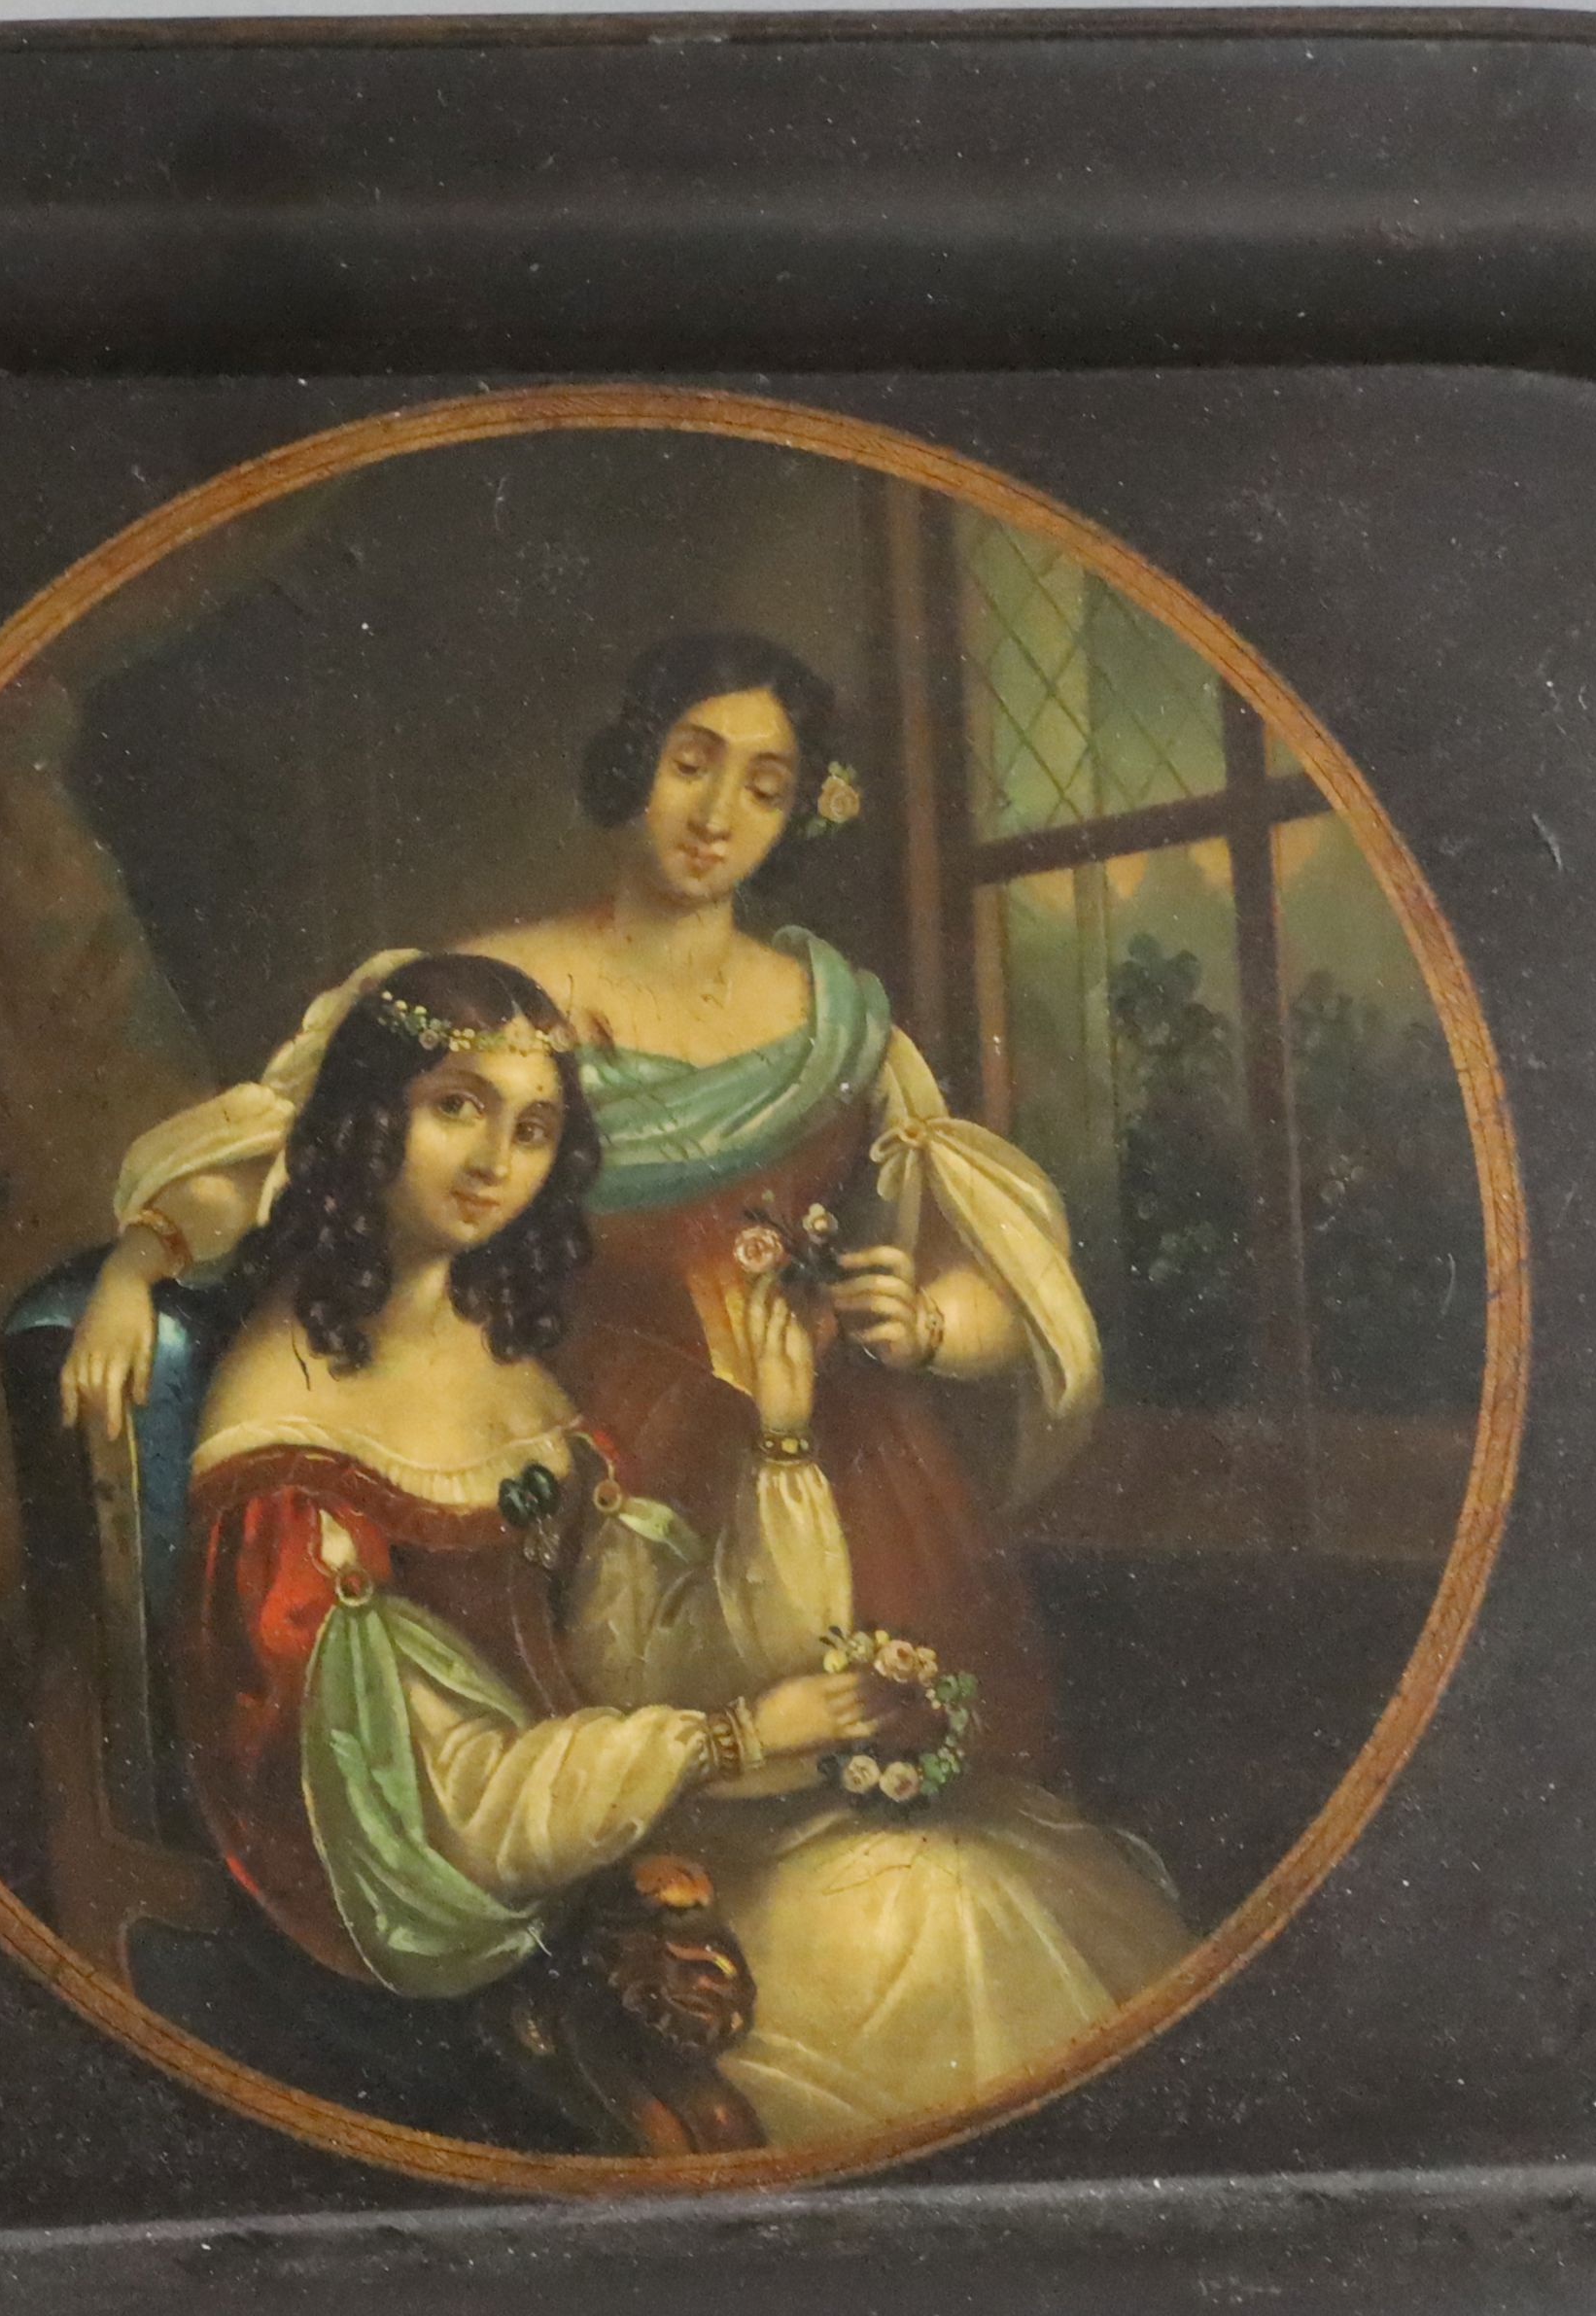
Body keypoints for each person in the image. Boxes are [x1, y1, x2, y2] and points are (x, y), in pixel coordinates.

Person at [171, 951, 1192, 2150]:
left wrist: (780, 1438)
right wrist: (741, 1738)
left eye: (535, 1126)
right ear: (366, 1112)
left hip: (602, 1846)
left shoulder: (501, 1353)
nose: (497, 1160)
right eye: (457, 1106)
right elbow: (437, 1819)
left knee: (972, 1879)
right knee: (931, 1922)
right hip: (472, 1936)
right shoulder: (283, 1426)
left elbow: (632, 1650)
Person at [75, 631, 1097, 1778]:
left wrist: (926, 1324)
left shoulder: (841, 1022)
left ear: (800, 812)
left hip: (846, 1470)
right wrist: (143, 1258)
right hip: (596, 1463)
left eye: (764, 789)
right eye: (690, 763)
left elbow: (992, 1269)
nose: (717, 815)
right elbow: (283, 1150)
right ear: (633, 765)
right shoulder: (489, 987)